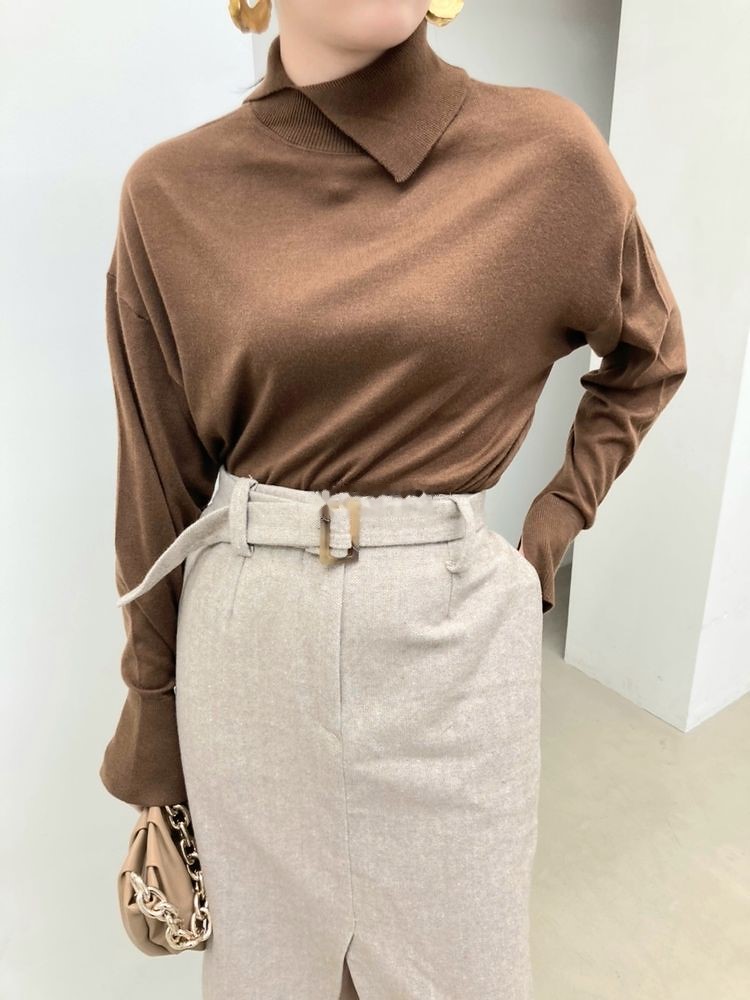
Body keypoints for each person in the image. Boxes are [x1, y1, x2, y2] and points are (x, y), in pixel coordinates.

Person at [100, 1, 688, 997]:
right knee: (269, 978)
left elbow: (650, 351)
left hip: (454, 651)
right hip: (248, 659)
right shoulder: (173, 192)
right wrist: (154, 723)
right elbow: (157, 486)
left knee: (466, 973)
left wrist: (549, 531)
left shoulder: (544, 156)